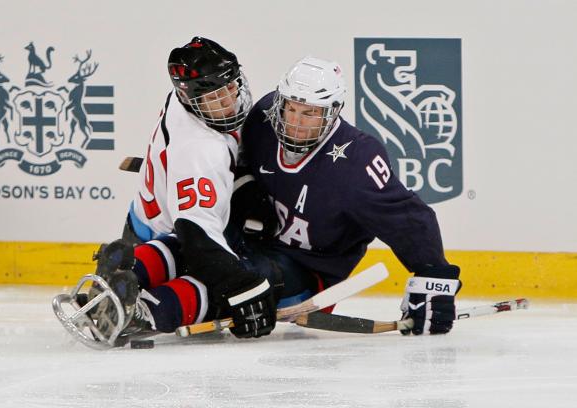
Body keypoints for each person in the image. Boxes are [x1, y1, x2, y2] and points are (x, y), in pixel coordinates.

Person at [236, 56, 462, 335]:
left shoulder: (356, 160)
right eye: (291, 109)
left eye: (309, 113)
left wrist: (433, 279)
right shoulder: (264, 118)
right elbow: (238, 165)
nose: (295, 122)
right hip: (254, 246)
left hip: (308, 271)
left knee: (247, 277)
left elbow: (409, 218)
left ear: (332, 112)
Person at [75, 37, 277, 346]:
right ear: (192, 99)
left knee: (216, 256)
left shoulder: (183, 100)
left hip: (143, 224)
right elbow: (197, 238)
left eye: (231, 89)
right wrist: (243, 288)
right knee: (230, 281)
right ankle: (147, 311)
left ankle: (130, 269)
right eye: (215, 98)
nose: (228, 103)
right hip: (170, 235)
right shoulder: (201, 150)